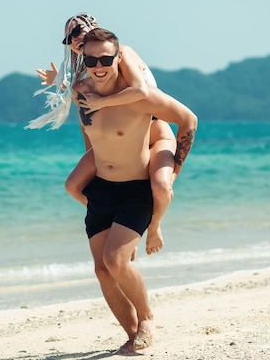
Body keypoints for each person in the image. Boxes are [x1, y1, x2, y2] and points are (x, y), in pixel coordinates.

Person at [74, 27, 197, 353]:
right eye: (91, 59)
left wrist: (175, 171)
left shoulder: (140, 96)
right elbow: (89, 137)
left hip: (136, 190)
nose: (98, 66)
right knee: (102, 269)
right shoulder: (81, 93)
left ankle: (147, 320)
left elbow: (188, 120)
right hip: (102, 188)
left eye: (106, 59)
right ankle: (132, 334)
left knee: (116, 260)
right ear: (83, 59)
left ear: (118, 58)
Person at [28, 13, 176, 256]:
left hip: (152, 131)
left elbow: (137, 91)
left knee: (160, 187)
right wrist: (63, 84)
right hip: (120, 140)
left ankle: (153, 227)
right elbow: (88, 118)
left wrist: (98, 103)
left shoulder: (121, 54)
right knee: (74, 186)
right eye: (68, 38)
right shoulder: (87, 74)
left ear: (93, 26)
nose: (73, 39)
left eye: (76, 31)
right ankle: (121, 223)